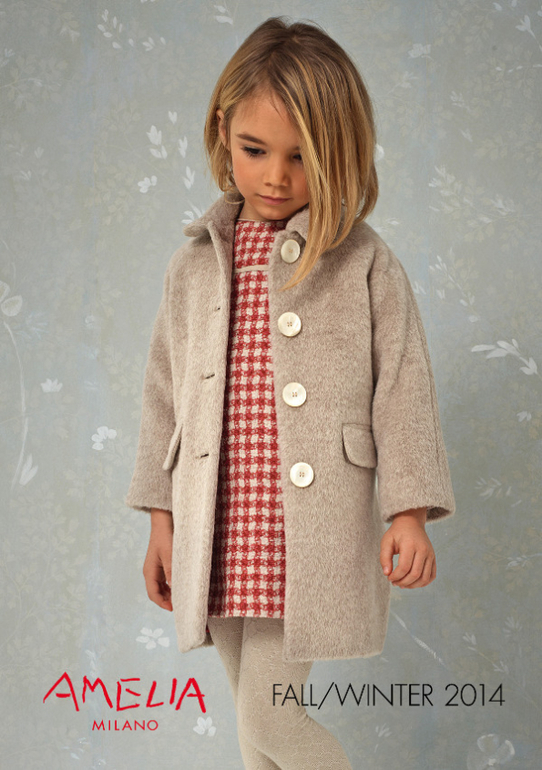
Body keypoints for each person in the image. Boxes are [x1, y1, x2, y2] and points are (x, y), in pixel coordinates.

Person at [125, 15, 456, 770]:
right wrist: (160, 519)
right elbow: (162, 396)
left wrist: (409, 511)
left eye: (302, 157)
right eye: (255, 150)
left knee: (273, 721)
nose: (276, 175)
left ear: (339, 152)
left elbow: (403, 387)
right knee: (254, 730)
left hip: (300, 531)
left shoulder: (362, 261)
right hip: (216, 524)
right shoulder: (193, 266)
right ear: (222, 130)